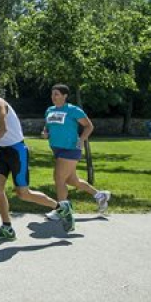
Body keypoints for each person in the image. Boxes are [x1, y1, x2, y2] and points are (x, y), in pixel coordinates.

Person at [0, 77, 73, 240]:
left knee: (23, 193)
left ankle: (61, 207)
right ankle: (7, 228)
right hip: (3, 151)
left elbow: (2, 129)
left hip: (17, 150)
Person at [41, 84, 110, 217]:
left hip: (70, 149)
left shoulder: (73, 110)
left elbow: (89, 126)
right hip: (57, 149)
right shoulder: (49, 110)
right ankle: (100, 196)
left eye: (56, 94)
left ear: (65, 96)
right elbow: (47, 126)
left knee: (59, 178)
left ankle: (62, 211)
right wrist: (45, 132)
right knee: (73, 181)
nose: (53, 97)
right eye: (52, 94)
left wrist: (82, 139)